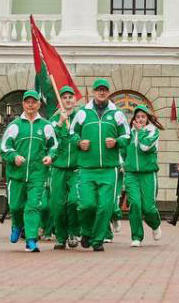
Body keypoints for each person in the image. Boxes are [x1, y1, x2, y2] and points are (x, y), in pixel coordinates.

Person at [70, 78, 130, 252]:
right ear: (94, 92)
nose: (101, 92)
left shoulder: (117, 113)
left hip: (109, 170)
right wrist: (79, 142)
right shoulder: (83, 113)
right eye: (98, 90)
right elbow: (71, 133)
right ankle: (86, 232)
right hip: (87, 169)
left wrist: (117, 141)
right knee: (86, 205)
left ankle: (97, 240)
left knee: (105, 207)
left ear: (108, 92)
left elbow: (127, 135)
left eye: (104, 90)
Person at [0, 89, 51, 252]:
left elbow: (54, 146)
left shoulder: (46, 126)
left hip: (37, 174)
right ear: (23, 104)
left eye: (33, 102)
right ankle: (16, 224)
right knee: (15, 207)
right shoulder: (15, 125)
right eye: (27, 102)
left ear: (39, 105)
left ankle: (31, 240)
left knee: (33, 207)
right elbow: (4, 147)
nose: (30, 105)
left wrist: (50, 156)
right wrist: (14, 156)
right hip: (17, 175)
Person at [44, 85, 81, 250]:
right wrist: (60, 123)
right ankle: (60, 237)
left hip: (76, 169)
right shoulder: (53, 120)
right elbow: (50, 142)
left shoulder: (80, 118)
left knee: (74, 201)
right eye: (64, 97)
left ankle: (74, 232)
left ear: (75, 99)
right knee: (57, 205)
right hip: (58, 169)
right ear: (61, 101)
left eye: (70, 97)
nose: (67, 100)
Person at [122, 103, 163, 247]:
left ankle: (155, 224)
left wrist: (140, 132)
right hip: (131, 174)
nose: (140, 119)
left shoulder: (153, 131)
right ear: (134, 118)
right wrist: (123, 165)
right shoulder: (129, 133)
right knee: (135, 205)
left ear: (147, 118)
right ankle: (137, 237)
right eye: (138, 116)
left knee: (148, 208)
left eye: (143, 117)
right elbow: (122, 151)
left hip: (148, 174)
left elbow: (145, 147)